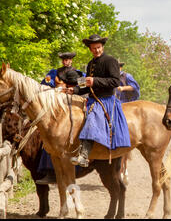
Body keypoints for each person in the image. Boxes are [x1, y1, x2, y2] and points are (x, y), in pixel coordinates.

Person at [66, 34, 131, 167]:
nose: (97, 50)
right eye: (94, 48)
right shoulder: (90, 64)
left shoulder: (110, 60)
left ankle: (84, 156)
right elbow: (86, 85)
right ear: (90, 49)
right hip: (92, 99)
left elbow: (115, 81)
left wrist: (95, 80)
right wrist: (75, 90)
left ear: (102, 47)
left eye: (99, 47)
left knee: (92, 119)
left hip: (106, 100)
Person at [36, 52, 85, 185]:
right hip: (57, 105)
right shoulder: (53, 73)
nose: (66, 62)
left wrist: (72, 89)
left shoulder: (79, 73)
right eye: (64, 59)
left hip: (75, 103)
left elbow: (84, 87)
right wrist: (57, 88)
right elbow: (44, 86)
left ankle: (81, 161)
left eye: (68, 59)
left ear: (72, 60)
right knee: (49, 135)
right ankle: (48, 170)